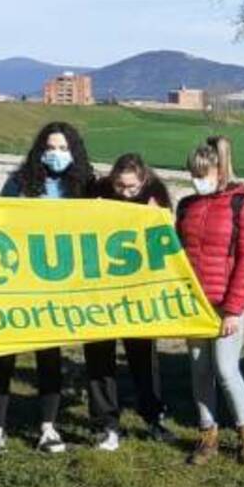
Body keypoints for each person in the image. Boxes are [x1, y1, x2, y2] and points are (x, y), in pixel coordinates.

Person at [0, 121, 95, 454]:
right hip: (19, 282)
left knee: (49, 355)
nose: (56, 154)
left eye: (62, 148)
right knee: (3, 355)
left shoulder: (83, 186)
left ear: (73, 151)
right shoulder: (19, 182)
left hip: (57, 286)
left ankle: (48, 427)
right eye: (50, 148)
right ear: (39, 150)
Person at [175, 140, 244, 465]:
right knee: (200, 370)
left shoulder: (241, 206)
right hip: (194, 304)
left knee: (226, 369)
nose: (198, 179)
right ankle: (207, 432)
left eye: (203, 173)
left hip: (225, 305)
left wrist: (233, 309)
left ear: (219, 170)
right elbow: (178, 254)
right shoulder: (187, 207)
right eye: (193, 174)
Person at [85, 154, 177, 446]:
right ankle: (106, 423)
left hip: (138, 292)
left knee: (143, 357)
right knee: (99, 355)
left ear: (143, 181)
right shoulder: (97, 192)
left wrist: (159, 217)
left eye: (131, 188)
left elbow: (167, 238)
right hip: (100, 289)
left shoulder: (155, 193)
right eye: (120, 187)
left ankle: (153, 417)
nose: (125, 194)